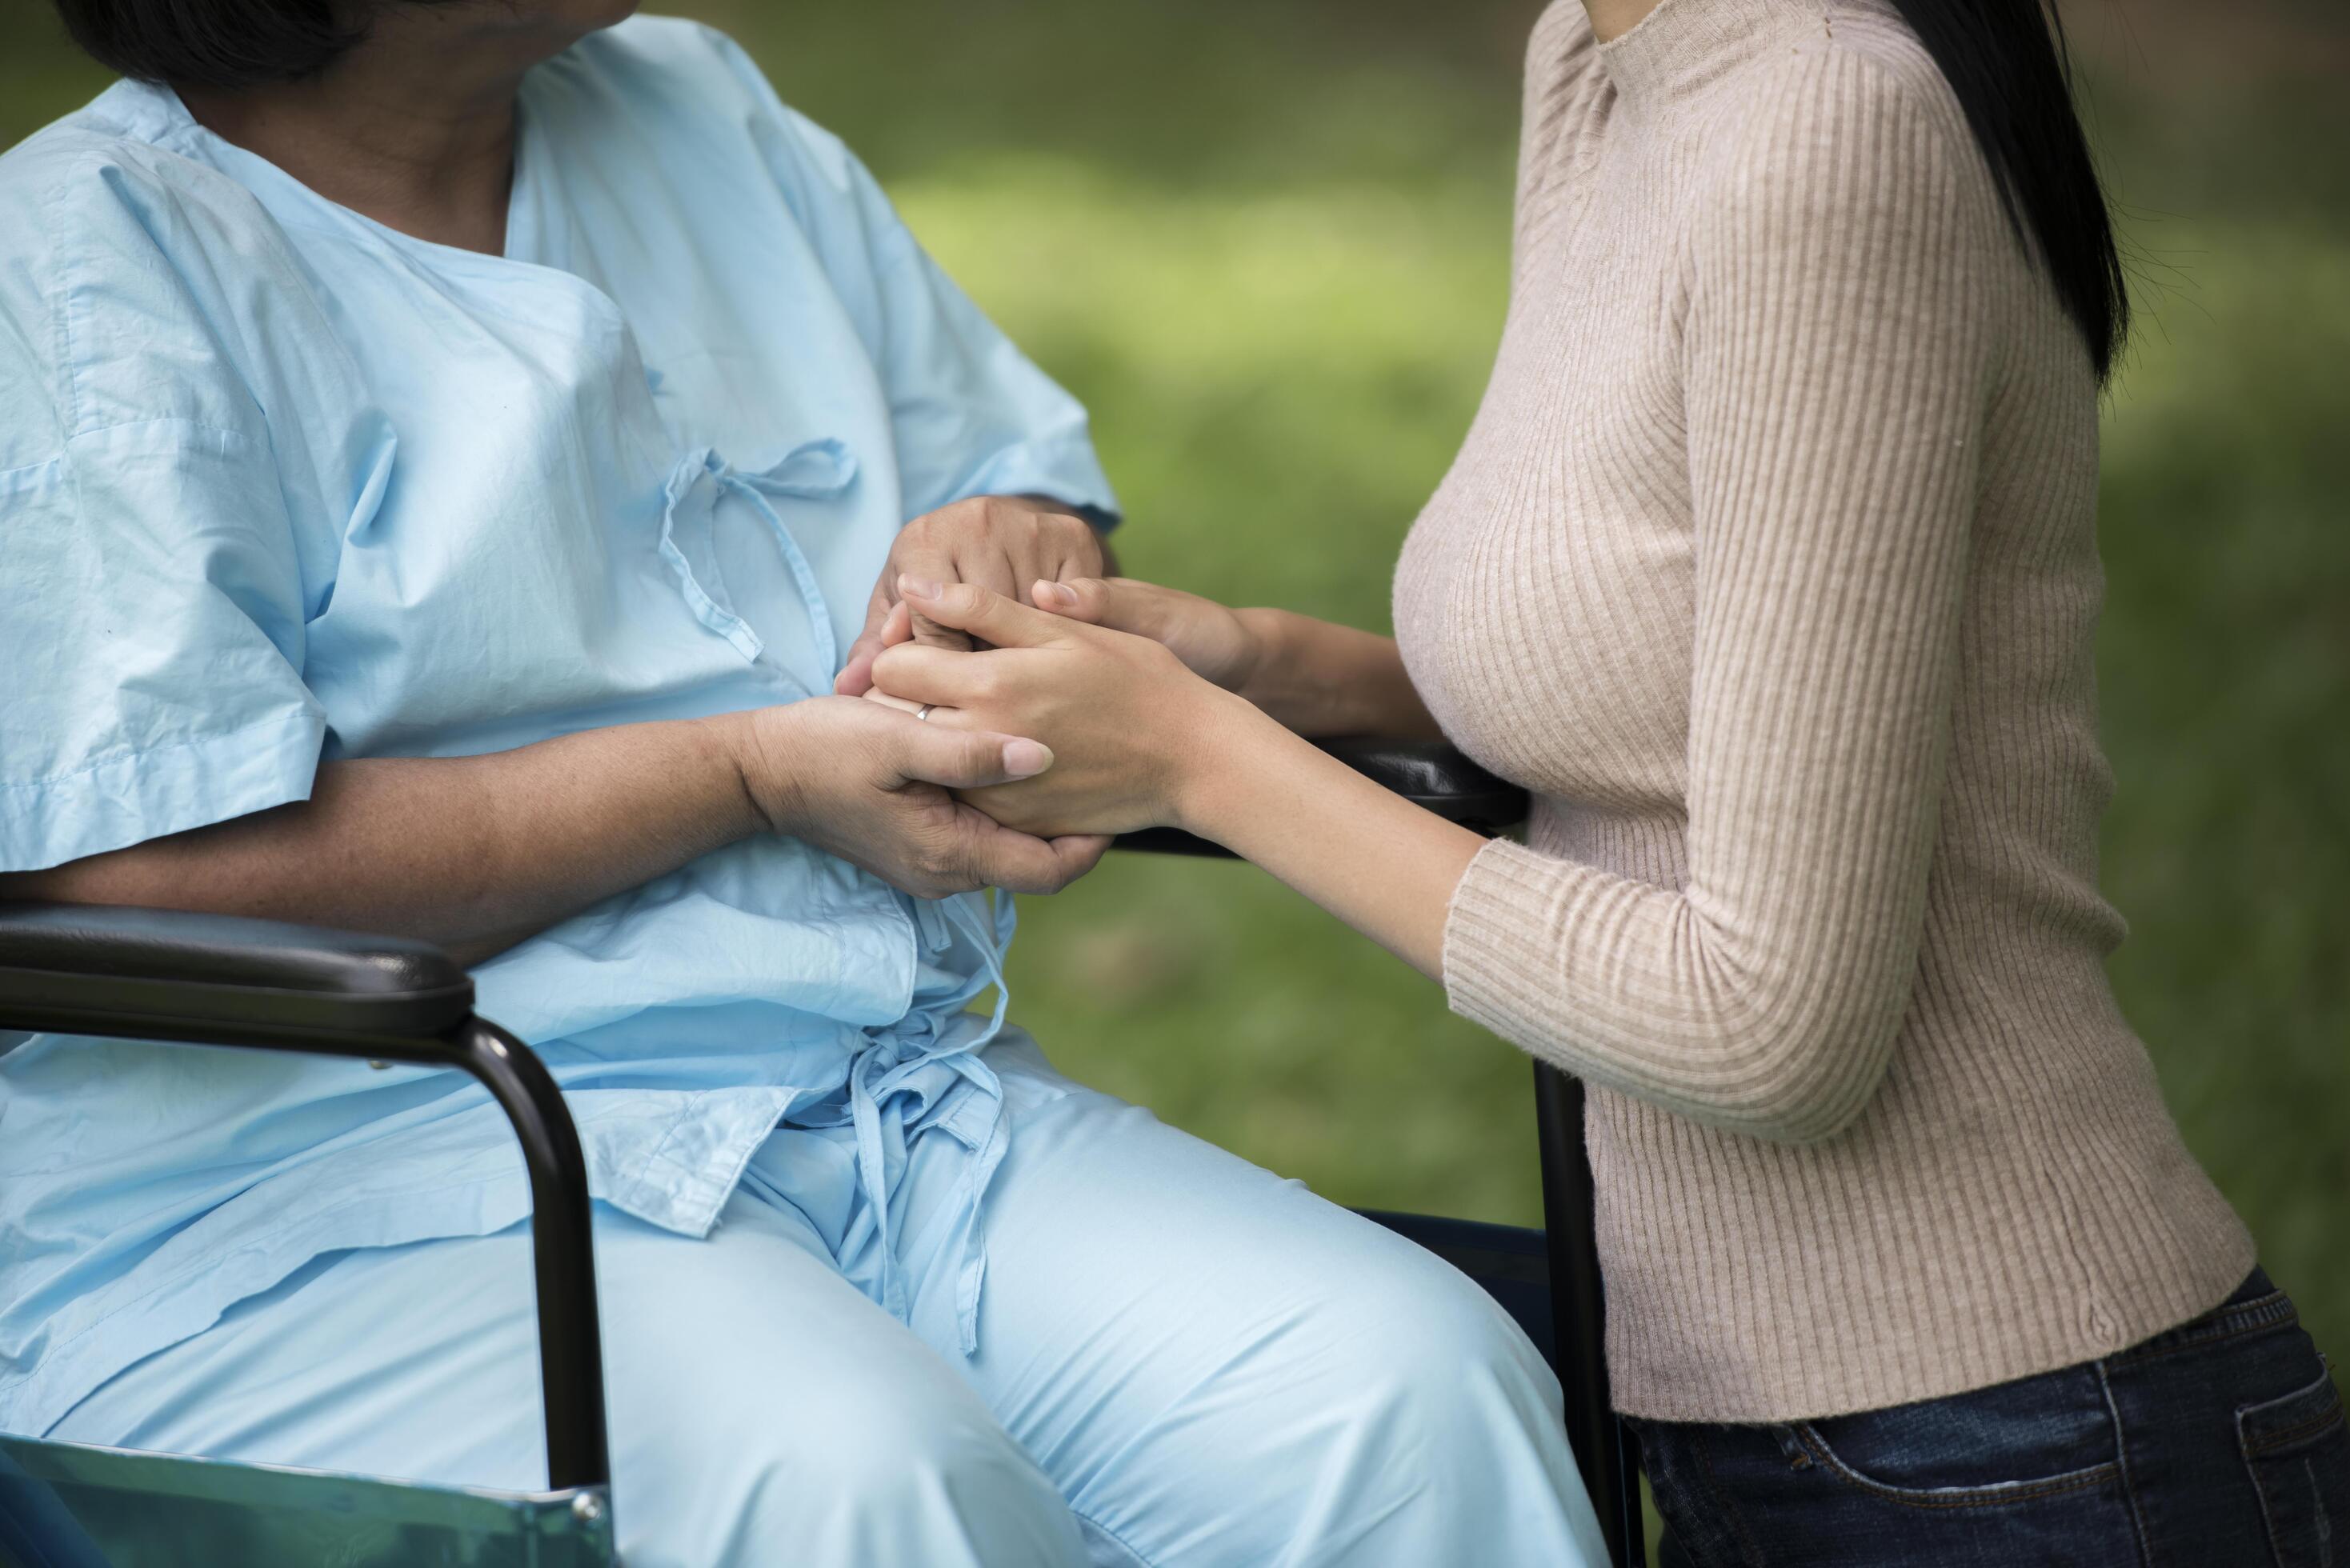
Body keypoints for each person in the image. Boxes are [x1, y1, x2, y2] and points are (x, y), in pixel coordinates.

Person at [0, 2, 1606, 1563]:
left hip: (873, 1101)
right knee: (862, 1482)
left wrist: (1014, 549)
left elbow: (1000, 467)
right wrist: (746, 773)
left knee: (1401, 1388)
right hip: (335, 1187)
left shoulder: (693, 104)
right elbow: (143, 860)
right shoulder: (80, 268)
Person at [860, 0, 2350, 1562]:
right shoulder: (1597, 58)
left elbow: (1770, 1025)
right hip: (1737, 1419)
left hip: (2021, 1443)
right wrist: (1253, 663)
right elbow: (1660, 693)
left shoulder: (1832, 129)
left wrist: (1193, 753)